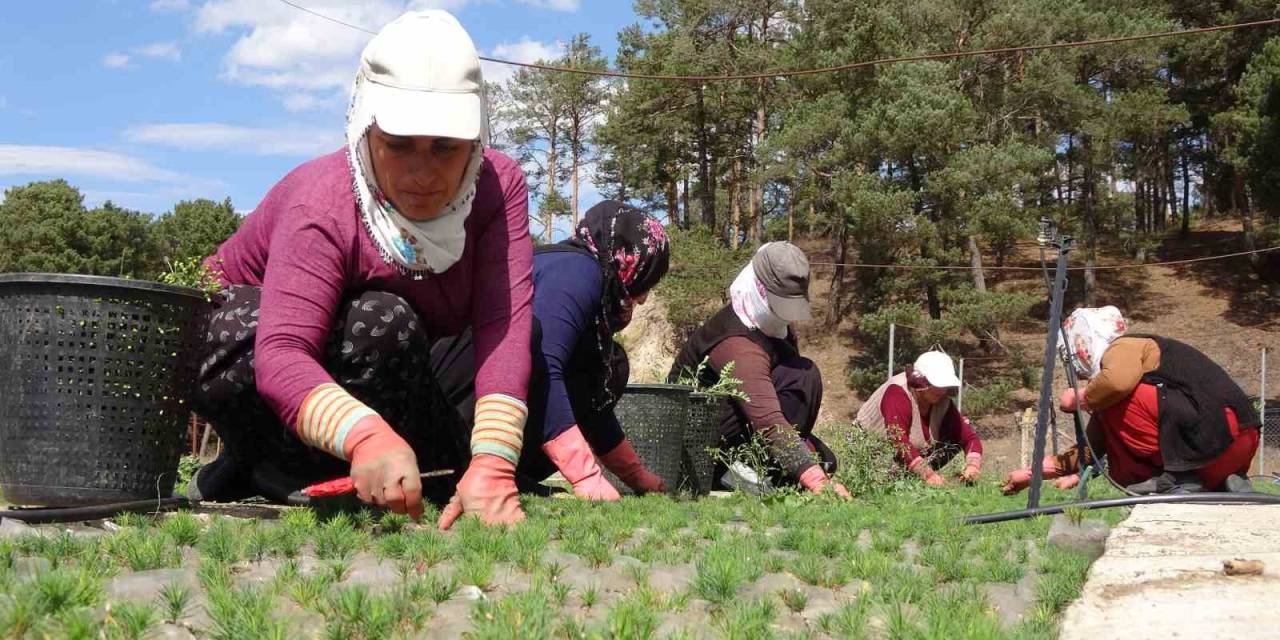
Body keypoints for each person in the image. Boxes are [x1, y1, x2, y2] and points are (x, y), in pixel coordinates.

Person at [189, 11, 534, 529]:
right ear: (365, 127)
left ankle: (386, 468)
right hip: (251, 355)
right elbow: (281, 353)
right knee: (381, 319)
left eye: (445, 147)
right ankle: (265, 466)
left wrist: (493, 463)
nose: (422, 173)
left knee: (394, 328)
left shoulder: (496, 187)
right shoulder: (321, 203)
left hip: (395, 372)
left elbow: (502, 328)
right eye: (398, 144)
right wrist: (365, 435)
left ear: (477, 139)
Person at [430, 201, 671, 500]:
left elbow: (590, 400)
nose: (644, 298)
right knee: (530, 340)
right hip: (444, 403)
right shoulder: (578, 271)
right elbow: (544, 363)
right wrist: (585, 476)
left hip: (483, 394)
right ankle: (456, 466)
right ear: (628, 261)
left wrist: (635, 475)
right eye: (647, 280)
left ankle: (512, 473)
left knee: (612, 365)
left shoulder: (592, 280)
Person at [1002, 306, 1260, 495]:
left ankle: (1181, 478)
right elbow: (1092, 447)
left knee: (1116, 401)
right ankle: (1224, 480)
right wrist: (1030, 474)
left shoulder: (1125, 347)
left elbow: (1116, 383)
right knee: (1111, 409)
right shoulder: (1144, 371)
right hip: (1235, 442)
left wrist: (1081, 399)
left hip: (1216, 432)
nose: (1079, 373)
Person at [667, 242, 850, 497]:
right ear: (761, 290)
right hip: (703, 444)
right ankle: (733, 470)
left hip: (745, 423)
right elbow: (767, 420)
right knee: (810, 463)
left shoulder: (771, 326)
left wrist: (805, 452)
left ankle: (772, 466)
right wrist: (817, 481)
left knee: (825, 453)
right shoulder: (737, 344)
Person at [856, 351, 983, 486]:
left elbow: (969, 437)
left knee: (956, 436)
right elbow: (898, 440)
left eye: (944, 385)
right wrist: (927, 474)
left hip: (906, 458)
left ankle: (913, 480)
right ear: (920, 381)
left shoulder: (942, 402)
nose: (941, 390)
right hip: (870, 457)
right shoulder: (897, 392)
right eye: (936, 384)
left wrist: (973, 466)